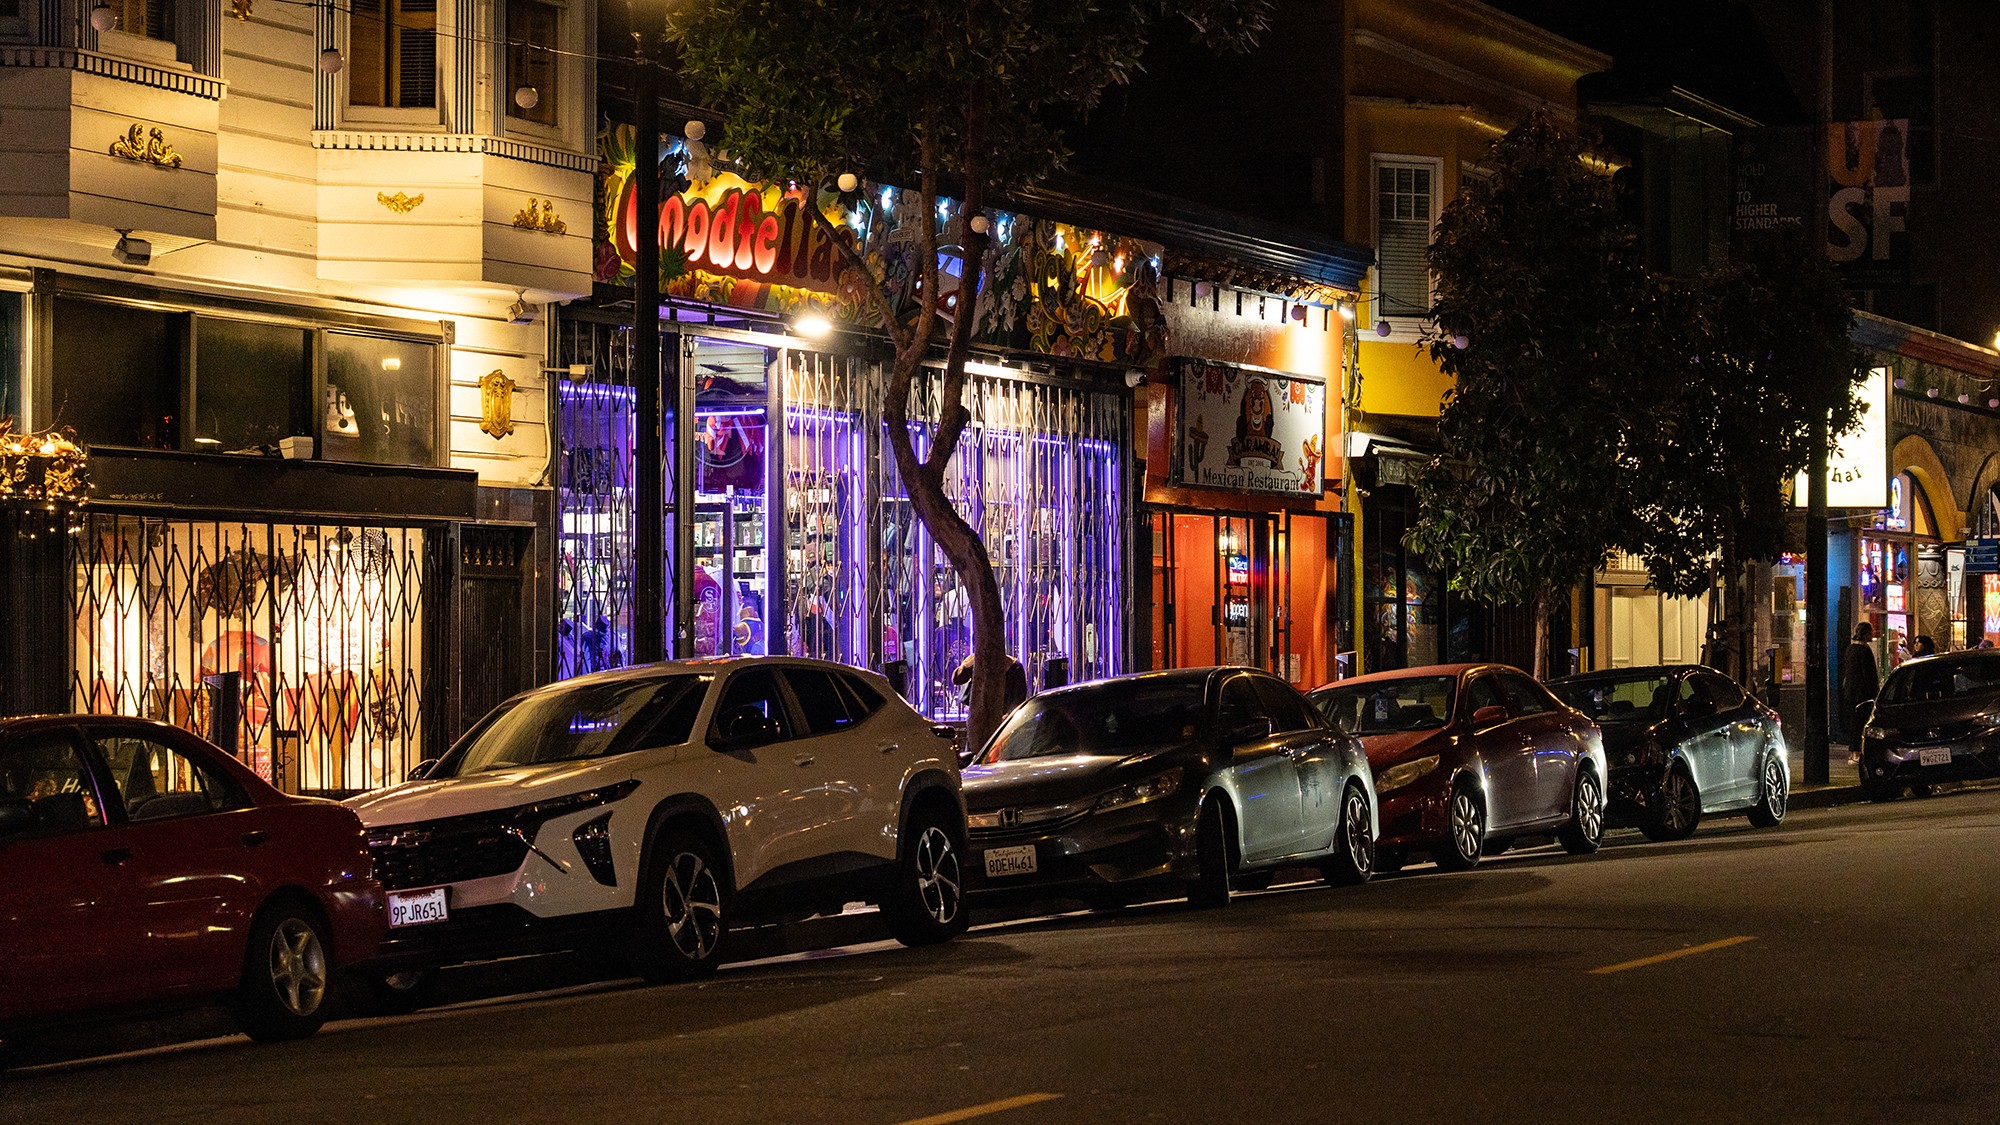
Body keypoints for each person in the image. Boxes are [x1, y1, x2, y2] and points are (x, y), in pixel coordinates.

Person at [1841, 621, 1880, 764]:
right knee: (1861, 723)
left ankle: (1853, 752)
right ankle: (1857, 752)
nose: (1872, 634)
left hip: (1851, 693)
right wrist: (1875, 692)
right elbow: (1869, 674)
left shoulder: (1850, 649)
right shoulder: (1864, 651)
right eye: (1870, 632)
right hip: (1863, 695)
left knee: (1854, 723)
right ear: (1865, 634)